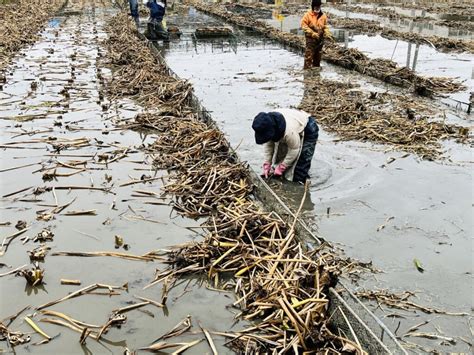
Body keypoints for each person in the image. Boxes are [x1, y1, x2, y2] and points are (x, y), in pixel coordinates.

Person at [252, 109, 319, 184]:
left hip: (308, 127)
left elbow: (294, 150)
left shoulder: (289, 131)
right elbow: (269, 145)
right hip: (291, 124)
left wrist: (282, 167)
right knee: (280, 160)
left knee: (301, 166)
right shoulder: (268, 124)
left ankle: (300, 184)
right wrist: (267, 164)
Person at [301, 0, 331, 69]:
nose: (317, 9)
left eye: (318, 7)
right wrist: (312, 33)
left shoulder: (323, 15)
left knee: (318, 55)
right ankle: (307, 70)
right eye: (315, 7)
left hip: (319, 39)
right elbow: (303, 25)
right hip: (310, 39)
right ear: (312, 7)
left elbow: (325, 25)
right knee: (309, 55)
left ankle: (316, 70)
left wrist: (326, 32)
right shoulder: (307, 15)